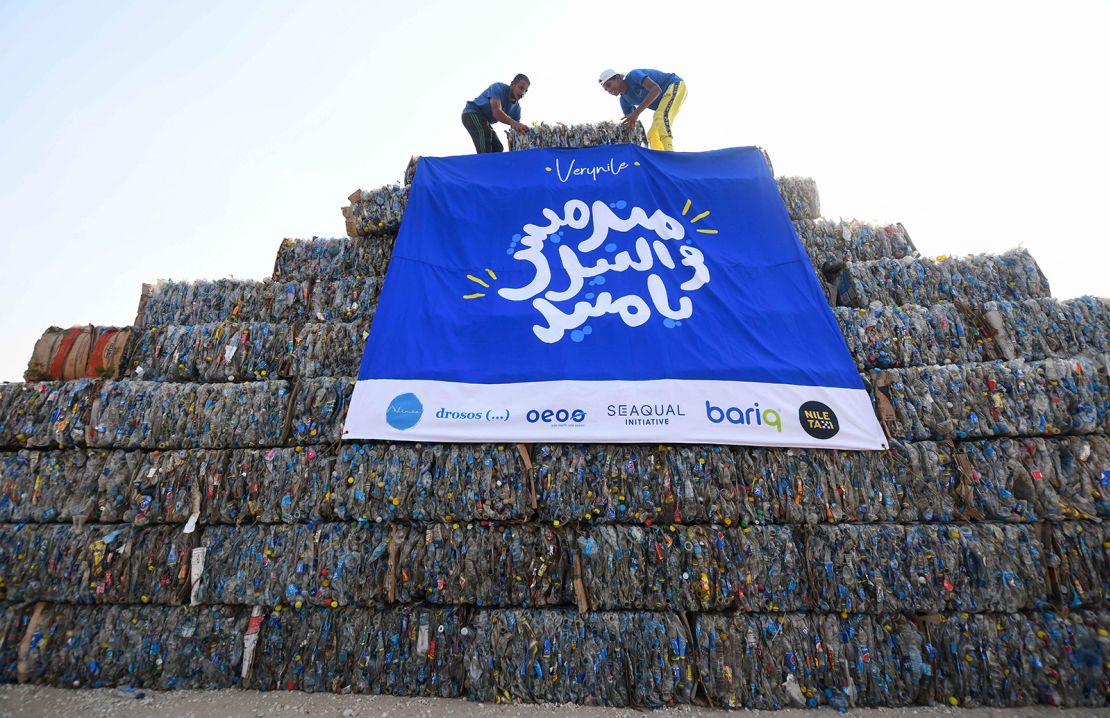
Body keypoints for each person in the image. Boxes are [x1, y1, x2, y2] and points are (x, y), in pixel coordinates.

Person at [598, 68, 686, 151]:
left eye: (609, 85)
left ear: (617, 78)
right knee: (652, 135)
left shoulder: (633, 75)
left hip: (675, 85)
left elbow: (656, 89)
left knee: (660, 116)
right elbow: (632, 125)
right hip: (665, 102)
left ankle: (670, 153)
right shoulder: (624, 100)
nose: (609, 90)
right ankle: (662, 159)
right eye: (606, 89)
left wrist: (635, 113)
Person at [461, 74, 530, 153]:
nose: (522, 93)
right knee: (485, 133)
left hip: (485, 121)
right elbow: (496, 112)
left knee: (498, 148)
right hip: (471, 113)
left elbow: (516, 132)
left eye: (525, 90)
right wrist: (514, 123)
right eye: (521, 88)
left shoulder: (517, 109)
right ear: (512, 84)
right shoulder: (498, 88)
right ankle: (485, 163)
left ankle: (495, 164)